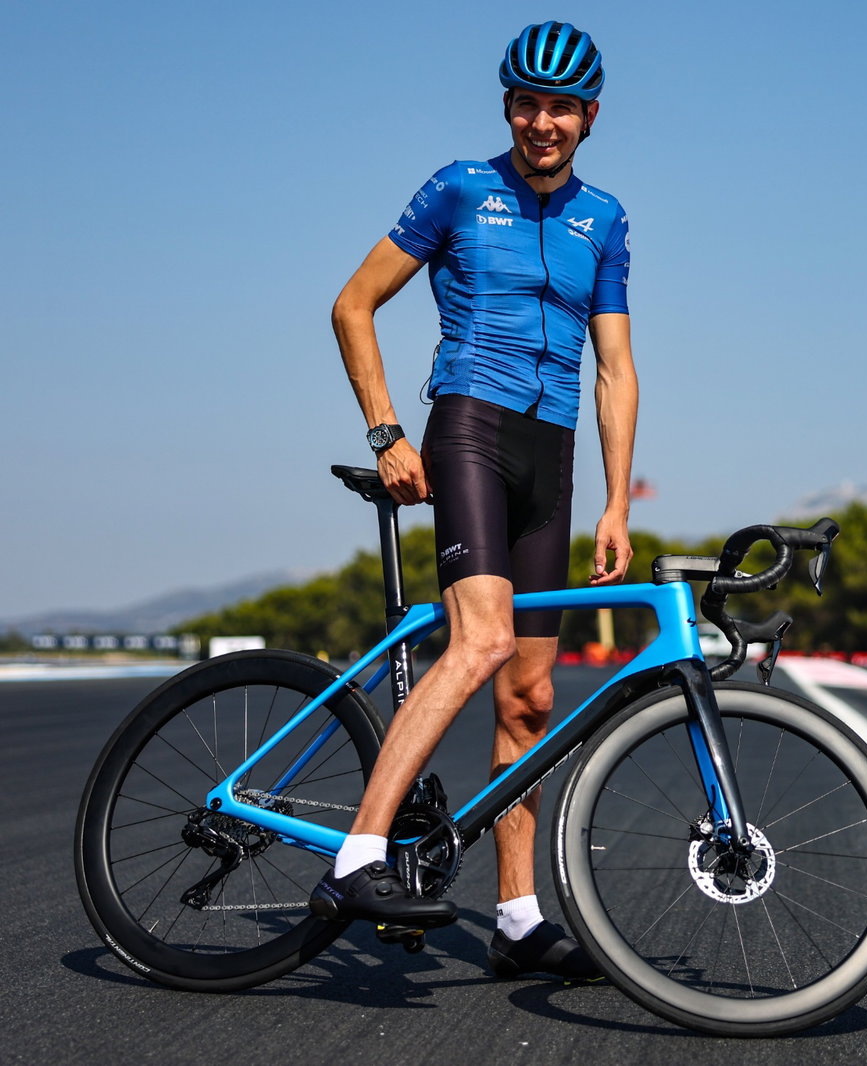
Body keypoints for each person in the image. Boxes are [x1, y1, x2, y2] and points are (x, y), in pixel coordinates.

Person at [308, 20, 636, 982]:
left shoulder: (605, 218)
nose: (543, 122)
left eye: (561, 108)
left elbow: (615, 369)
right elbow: (352, 303)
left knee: (529, 694)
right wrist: (385, 430)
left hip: (555, 450)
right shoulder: (460, 187)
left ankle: (518, 917)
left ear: (589, 118)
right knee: (482, 639)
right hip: (470, 429)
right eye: (527, 104)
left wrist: (616, 505)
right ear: (509, 108)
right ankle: (359, 857)